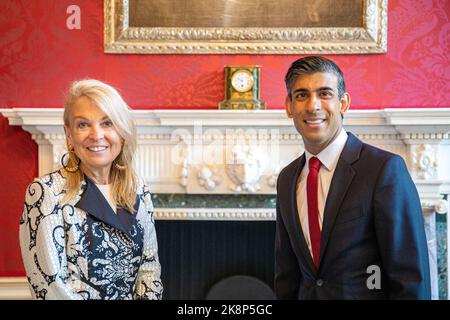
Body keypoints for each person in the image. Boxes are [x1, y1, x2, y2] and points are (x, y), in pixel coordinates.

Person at [274, 56, 431, 299]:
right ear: (289, 106)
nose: (312, 105)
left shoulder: (384, 170)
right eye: (301, 95)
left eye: (324, 93)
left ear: (343, 103)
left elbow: (409, 277)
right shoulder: (286, 179)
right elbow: (287, 274)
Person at [19, 79, 163, 300]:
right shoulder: (45, 193)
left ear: (122, 132)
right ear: (69, 134)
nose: (96, 135)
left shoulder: (138, 188)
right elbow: (50, 286)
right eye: (83, 124)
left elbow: (149, 268)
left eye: (107, 123)